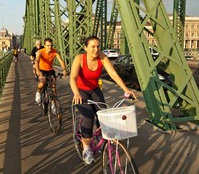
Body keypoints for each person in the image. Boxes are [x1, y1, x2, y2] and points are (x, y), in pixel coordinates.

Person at [70, 35, 136, 165]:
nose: (96, 49)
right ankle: (87, 149)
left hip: (95, 89)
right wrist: (76, 93)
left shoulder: (102, 57)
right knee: (89, 117)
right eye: (92, 46)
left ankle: (101, 139)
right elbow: (72, 77)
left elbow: (113, 74)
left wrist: (126, 89)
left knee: (104, 115)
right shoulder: (79, 59)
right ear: (86, 48)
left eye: (98, 46)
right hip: (81, 91)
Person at [35, 38, 68, 104]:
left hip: (50, 70)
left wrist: (64, 70)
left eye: (51, 45)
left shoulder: (55, 52)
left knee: (53, 85)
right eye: (48, 45)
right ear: (44, 46)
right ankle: (38, 92)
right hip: (42, 69)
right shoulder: (40, 52)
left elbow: (61, 61)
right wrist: (38, 71)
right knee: (42, 82)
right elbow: (37, 60)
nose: (50, 47)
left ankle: (53, 103)